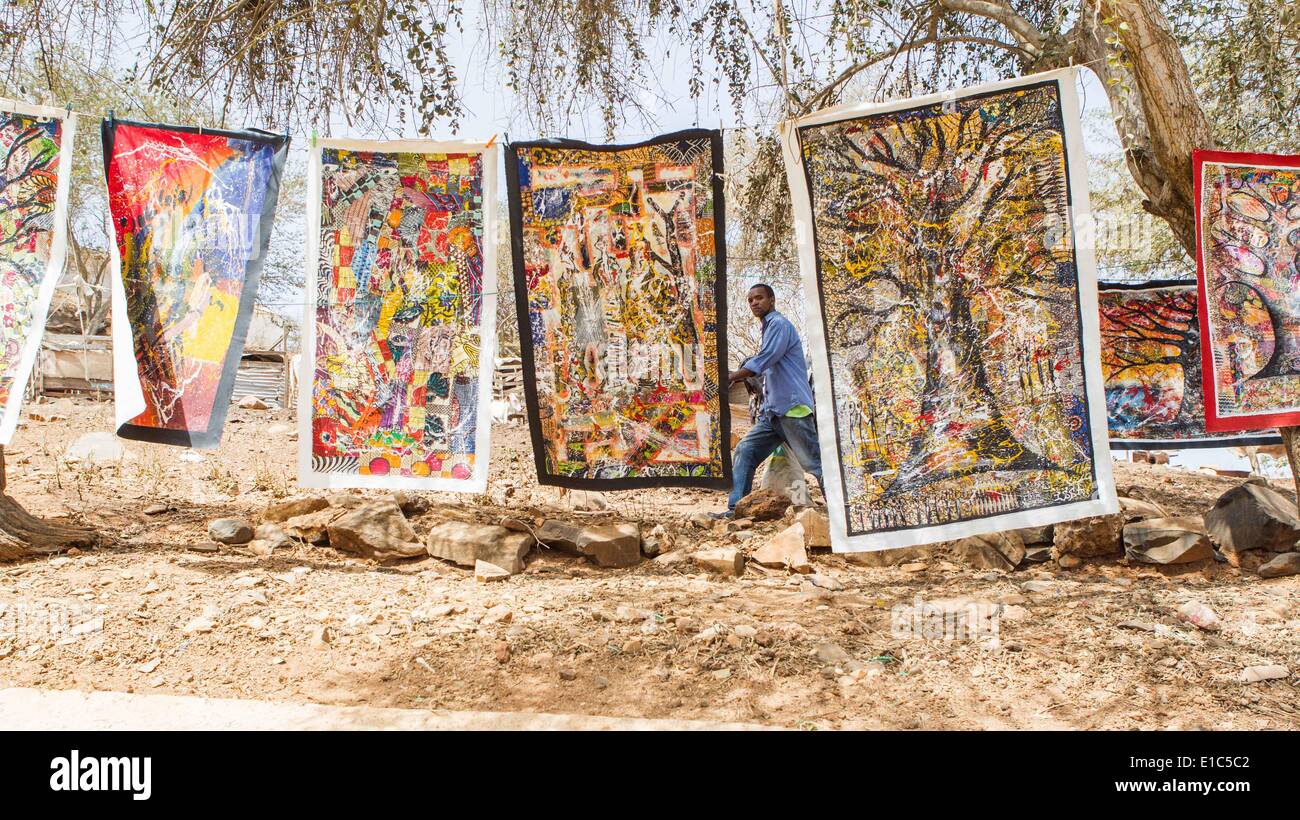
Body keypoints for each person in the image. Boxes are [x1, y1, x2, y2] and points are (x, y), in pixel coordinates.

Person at [712, 283, 824, 518]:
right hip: (773, 412)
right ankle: (736, 509)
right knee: (745, 450)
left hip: (792, 409)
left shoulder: (779, 325)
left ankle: (844, 510)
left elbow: (765, 359)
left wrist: (731, 376)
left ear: (771, 300)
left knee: (814, 463)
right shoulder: (768, 328)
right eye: (750, 300)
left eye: (759, 298)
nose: (754, 303)